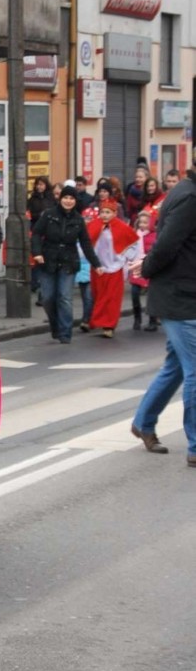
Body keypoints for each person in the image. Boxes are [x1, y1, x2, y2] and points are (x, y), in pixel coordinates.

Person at [130, 152, 196, 464]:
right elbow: (166, 244)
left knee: (177, 366)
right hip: (180, 296)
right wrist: (147, 267)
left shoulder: (184, 192)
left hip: (183, 292)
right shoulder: (189, 197)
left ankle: (143, 422)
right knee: (194, 370)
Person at [31, 184, 102, 343]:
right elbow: (36, 234)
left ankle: (65, 332)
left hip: (68, 261)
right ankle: (55, 326)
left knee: (64, 297)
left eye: (72, 198)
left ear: (75, 201)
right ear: (60, 198)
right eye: (66, 198)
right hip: (47, 260)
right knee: (48, 298)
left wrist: (96, 264)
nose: (68, 201)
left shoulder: (78, 219)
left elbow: (85, 243)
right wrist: (37, 253)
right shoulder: (49, 215)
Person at [86, 198, 141, 337]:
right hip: (98, 266)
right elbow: (86, 242)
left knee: (111, 298)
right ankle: (99, 320)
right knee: (99, 295)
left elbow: (133, 242)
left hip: (115, 266)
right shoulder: (94, 225)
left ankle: (109, 325)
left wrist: (127, 257)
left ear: (115, 213)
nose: (104, 215)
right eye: (103, 212)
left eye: (108, 212)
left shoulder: (122, 227)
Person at [128, 211, 156, 331]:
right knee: (134, 293)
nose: (142, 225)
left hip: (150, 267)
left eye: (145, 222)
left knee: (152, 295)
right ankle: (137, 318)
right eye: (141, 222)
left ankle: (152, 320)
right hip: (137, 266)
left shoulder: (155, 235)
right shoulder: (134, 234)